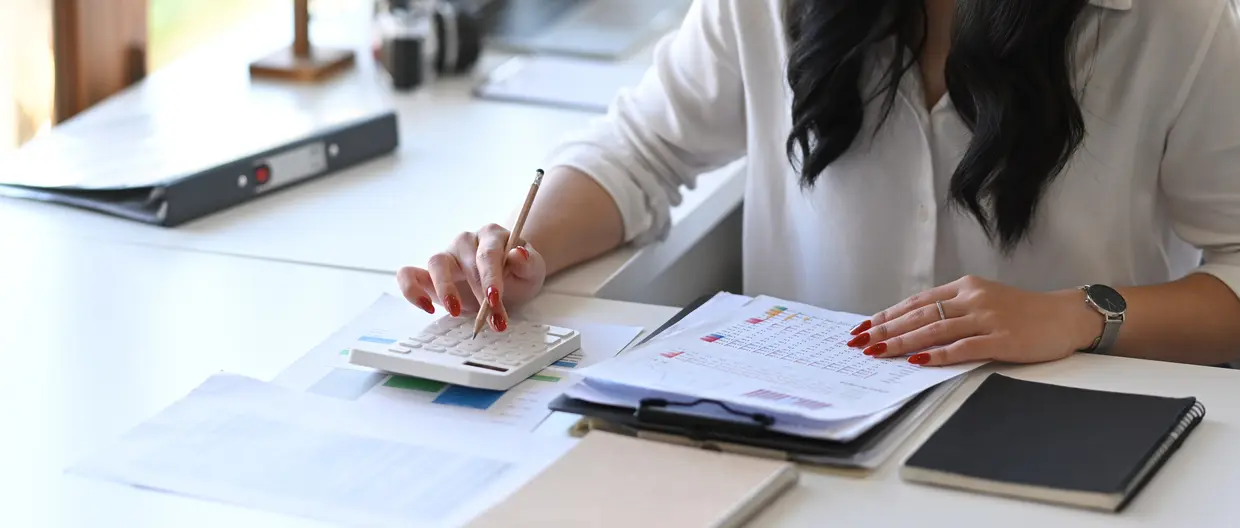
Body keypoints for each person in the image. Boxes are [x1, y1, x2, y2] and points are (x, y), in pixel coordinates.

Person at [398, 0, 1240, 367]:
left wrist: (1073, 315)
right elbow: (639, 149)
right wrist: (524, 247)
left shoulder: (1173, 19)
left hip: (1060, 431)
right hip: (805, 432)